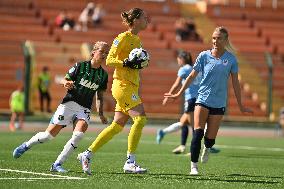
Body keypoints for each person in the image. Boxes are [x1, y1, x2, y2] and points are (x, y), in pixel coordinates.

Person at [165, 26, 253, 175]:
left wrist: (241, 105)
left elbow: (236, 84)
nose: (215, 41)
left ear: (225, 40)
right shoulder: (204, 56)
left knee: (209, 140)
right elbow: (191, 76)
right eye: (213, 38)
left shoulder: (231, 59)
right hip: (202, 100)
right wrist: (179, 93)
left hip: (219, 103)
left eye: (219, 38)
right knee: (197, 133)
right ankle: (193, 166)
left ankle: (208, 148)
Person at [12, 41, 110, 173]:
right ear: (93, 52)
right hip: (69, 104)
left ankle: (57, 164)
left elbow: (99, 96)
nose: (104, 54)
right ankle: (26, 145)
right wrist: (66, 83)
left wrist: (101, 114)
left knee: (78, 135)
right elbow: (65, 79)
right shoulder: (80, 66)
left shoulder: (103, 75)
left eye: (106, 52)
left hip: (84, 108)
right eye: (101, 51)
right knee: (48, 136)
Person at [77, 8, 149, 175]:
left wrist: (141, 63)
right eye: (145, 17)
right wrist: (127, 63)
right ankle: (130, 162)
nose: (147, 20)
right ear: (136, 20)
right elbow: (109, 60)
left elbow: (133, 63)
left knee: (117, 126)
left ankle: (87, 154)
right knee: (140, 119)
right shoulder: (122, 37)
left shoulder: (137, 39)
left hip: (130, 85)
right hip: (123, 86)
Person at [157, 51, 220, 155]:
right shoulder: (196, 68)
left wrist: (169, 95)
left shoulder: (183, 69)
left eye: (178, 59)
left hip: (191, 100)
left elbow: (176, 84)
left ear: (182, 59)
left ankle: (199, 147)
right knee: (185, 123)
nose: (177, 61)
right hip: (200, 99)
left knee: (195, 126)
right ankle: (166, 134)